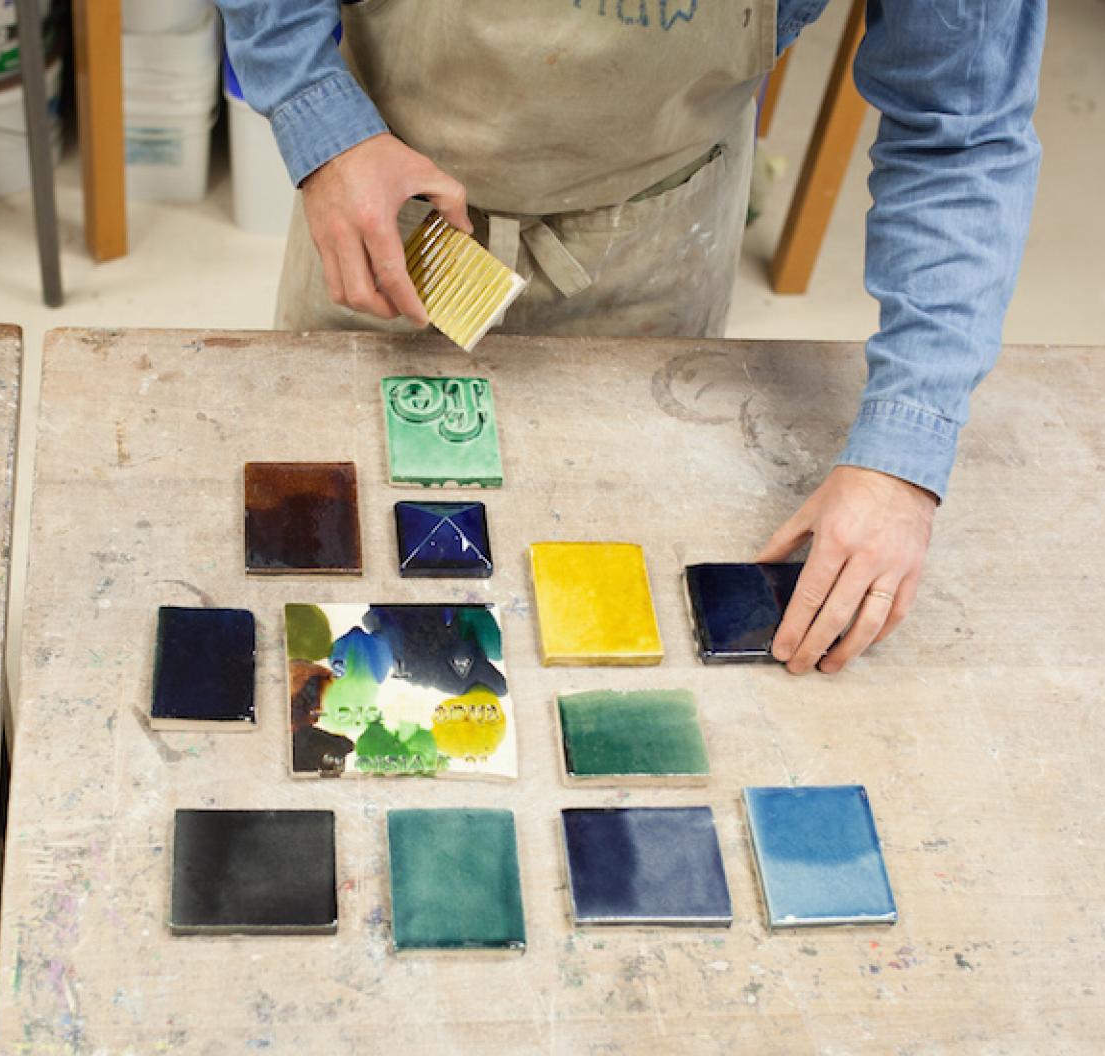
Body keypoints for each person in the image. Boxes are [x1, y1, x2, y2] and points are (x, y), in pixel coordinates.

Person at [219, 0, 1044, 674]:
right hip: (388, 217)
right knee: (330, 578)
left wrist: (903, 458)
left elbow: (961, 130)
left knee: (608, 598)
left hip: (654, 245)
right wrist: (316, 118)